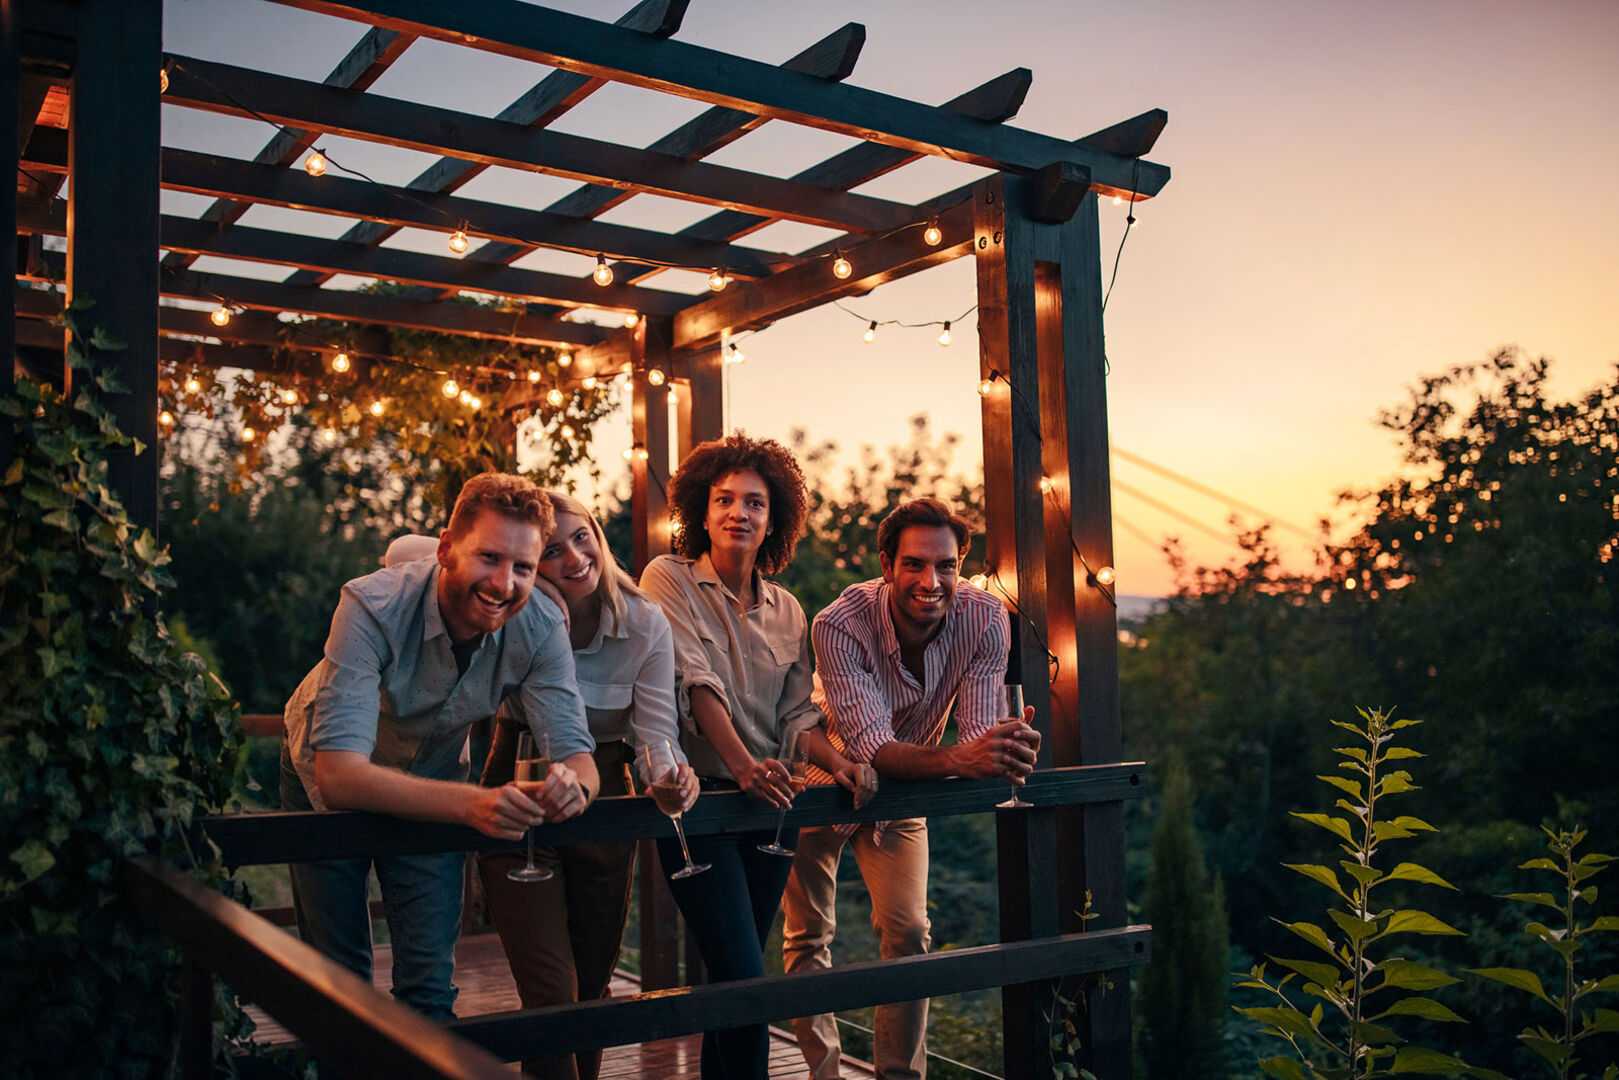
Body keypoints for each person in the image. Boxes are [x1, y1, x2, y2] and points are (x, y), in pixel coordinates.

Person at [279, 472, 599, 1019]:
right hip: (322, 774)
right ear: (446, 549)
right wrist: (475, 806)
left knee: (428, 992)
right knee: (340, 985)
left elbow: (576, 753)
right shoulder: (370, 605)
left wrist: (575, 789)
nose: (504, 583)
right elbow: (341, 776)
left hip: (434, 781)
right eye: (489, 558)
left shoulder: (541, 625)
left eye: (523, 567)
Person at [639, 432, 871, 1080]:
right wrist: (742, 765)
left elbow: (799, 717)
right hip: (700, 802)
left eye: (754, 502)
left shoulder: (789, 609)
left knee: (729, 977)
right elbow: (692, 680)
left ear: (775, 518)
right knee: (746, 981)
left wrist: (840, 761)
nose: (738, 512)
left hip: (774, 810)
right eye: (724, 499)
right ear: (700, 509)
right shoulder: (668, 578)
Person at [782, 498, 1040, 1080]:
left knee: (910, 934)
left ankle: (900, 1076)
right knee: (808, 935)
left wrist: (1006, 748)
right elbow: (872, 746)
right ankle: (821, 1071)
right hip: (819, 780)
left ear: (960, 564)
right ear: (886, 564)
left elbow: (977, 733)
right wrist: (965, 756)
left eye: (945, 566)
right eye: (915, 565)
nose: (932, 581)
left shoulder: (986, 617)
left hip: (905, 790)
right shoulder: (838, 624)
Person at [475, 492, 697, 1080]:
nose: (575, 557)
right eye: (550, 551)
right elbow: (410, 553)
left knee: (593, 986)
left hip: (606, 805)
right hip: (519, 780)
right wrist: (534, 592)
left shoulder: (645, 621)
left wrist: (671, 781)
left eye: (582, 537)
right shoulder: (515, 609)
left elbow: (656, 737)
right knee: (552, 989)